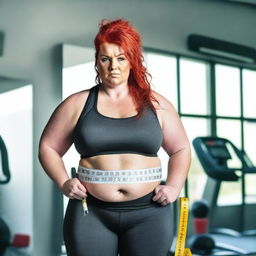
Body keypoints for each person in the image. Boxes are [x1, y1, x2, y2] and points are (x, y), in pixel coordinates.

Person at [38, 18, 191, 256]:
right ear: (97, 61)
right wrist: (63, 182)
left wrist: (173, 186)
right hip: (91, 212)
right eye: (105, 58)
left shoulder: (157, 104)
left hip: (149, 213)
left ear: (132, 61)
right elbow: (48, 146)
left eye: (121, 58)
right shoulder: (77, 104)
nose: (113, 66)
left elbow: (181, 148)